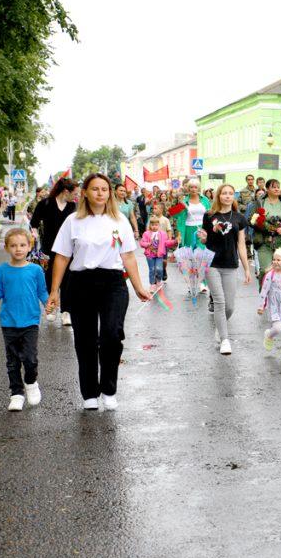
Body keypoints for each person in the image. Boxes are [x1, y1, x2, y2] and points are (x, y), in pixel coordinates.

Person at [46, 174, 151, 411]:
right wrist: (54, 291)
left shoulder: (119, 220)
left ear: (109, 193)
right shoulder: (73, 221)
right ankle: (90, 393)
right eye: (95, 189)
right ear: (85, 192)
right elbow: (62, 257)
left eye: (104, 189)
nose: (100, 193)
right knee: (85, 340)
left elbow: (128, 257)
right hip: (81, 283)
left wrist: (138, 287)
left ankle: (109, 389)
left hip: (113, 283)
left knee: (112, 336)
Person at [0, 228, 48, 411]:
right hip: (9, 322)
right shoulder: (2, 270)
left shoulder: (36, 270)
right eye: (14, 245)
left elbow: (42, 292)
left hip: (31, 321)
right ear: (7, 248)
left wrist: (49, 303)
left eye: (22, 245)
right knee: (13, 361)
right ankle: (16, 394)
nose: (18, 249)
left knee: (30, 359)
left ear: (29, 247)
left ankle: (31, 383)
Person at [197, 184, 251, 355]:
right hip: (211, 263)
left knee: (229, 307)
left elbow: (241, 245)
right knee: (219, 302)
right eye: (224, 193)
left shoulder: (239, 218)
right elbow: (205, 240)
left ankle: (220, 329)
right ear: (219, 196)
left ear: (233, 197)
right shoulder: (209, 215)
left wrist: (247, 269)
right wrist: (204, 238)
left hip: (230, 264)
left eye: (230, 194)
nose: (227, 196)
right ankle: (225, 340)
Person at [29, 177, 77, 326]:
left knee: (68, 280)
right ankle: (52, 308)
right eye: (74, 193)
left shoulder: (73, 206)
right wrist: (35, 234)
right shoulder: (46, 204)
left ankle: (66, 312)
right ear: (65, 191)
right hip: (49, 248)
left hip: (69, 249)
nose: (76, 196)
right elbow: (34, 223)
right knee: (50, 278)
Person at [250, 179, 281, 287]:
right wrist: (266, 227)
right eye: (273, 187)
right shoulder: (260, 202)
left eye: (278, 186)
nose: (277, 189)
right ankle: (264, 297)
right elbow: (251, 220)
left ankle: (278, 297)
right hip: (264, 242)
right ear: (267, 189)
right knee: (265, 270)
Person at [169, 178, 210, 251]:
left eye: (195, 187)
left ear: (198, 188)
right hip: (189, 229)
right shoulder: (184, 201)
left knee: (202, 251)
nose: (193, 189)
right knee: (190, 252)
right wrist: (180, 206)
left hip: (203, 229)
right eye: (191, 187)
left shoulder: (205, 200)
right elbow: (172, 213)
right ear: (188, 189)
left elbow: (211, 213)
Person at [139, 216, 177, 290]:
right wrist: (147, 244)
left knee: (159, 269)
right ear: (150, 225)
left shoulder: (163, 234)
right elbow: (141, 243)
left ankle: (158, 280)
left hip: (159, 255)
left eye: (156, 225)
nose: (154, 227)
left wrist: (174, 241)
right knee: (152, 269)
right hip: (150, 255)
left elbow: (166, 243)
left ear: (159, 225)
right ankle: (152, 283)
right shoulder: (146, 234)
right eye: (152, 225)